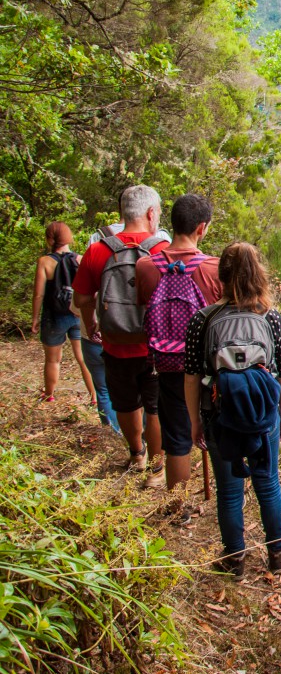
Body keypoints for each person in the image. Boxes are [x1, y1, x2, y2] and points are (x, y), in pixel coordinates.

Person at [184, 242, 281, 576]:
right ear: (259, 274)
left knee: (229, 491)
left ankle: (235, 558)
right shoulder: (270, 317)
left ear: (221, 276)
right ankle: (278, 554)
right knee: (268, 483)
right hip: (263, 414)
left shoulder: (203, 319)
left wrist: (195, 421)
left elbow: (192, 376)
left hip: (219, 414)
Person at [74, 185, 168, 485]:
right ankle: (157, 469)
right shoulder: (162, 251)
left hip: (115, 343)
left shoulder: (98, 250)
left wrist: (91, 324)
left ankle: (137, 454)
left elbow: (82, 298)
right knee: (155, 407)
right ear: (151, 214)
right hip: (154, 347)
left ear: (121, 212)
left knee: (125, 403)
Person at [136, 194, 222, 508]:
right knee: (217, 432)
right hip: (209, 367)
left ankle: (177, 509)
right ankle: (226, 502)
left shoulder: (146, 266)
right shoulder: (214, 268)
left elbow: (144, 309)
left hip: (167, 363)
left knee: (176, 438)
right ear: (202, 228)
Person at [31, 222, 96, 405]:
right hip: (77, 314)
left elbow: (38, 294)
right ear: (69, 237)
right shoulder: (80, 259)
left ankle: (49, 394)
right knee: (83, 359)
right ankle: (94, 397)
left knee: (53, 359)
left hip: (53, 316)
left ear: (49, 239)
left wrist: (35, 318)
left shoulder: (45, 262)